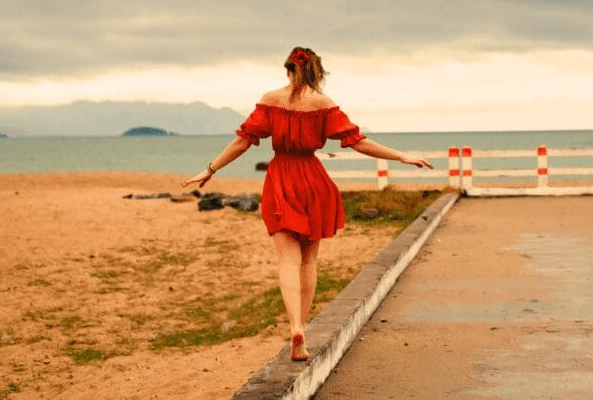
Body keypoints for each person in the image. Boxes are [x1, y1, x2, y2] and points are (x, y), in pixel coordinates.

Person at [180, 46, 433, 362]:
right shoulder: (323, 104)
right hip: (313, 180)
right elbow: (358, 142)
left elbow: (243, 140)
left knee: (287, 258)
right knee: (309, 259)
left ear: (287, 70)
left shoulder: (271, 99)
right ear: (318, 74)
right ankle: (303, 330)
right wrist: (401, 155)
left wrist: (210, 169)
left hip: (281, 178)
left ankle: (295, 325)